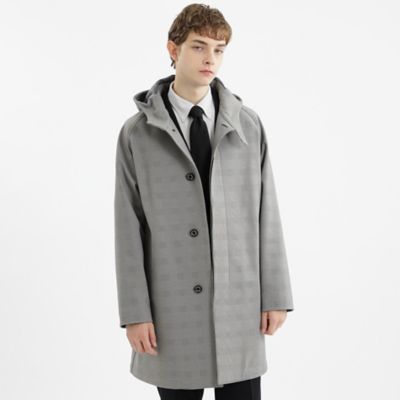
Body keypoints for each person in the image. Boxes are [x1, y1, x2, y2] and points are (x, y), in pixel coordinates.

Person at [114, 4, 294, 400]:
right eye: (198, 47)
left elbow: (268, 213)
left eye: (219, 49)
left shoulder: (247, 125)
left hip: (240, 302)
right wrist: (135, 312)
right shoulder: (137, 134)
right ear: (173, 49)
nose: (210, 58)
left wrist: (276, 295)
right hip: (171, 306)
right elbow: (128, 226)